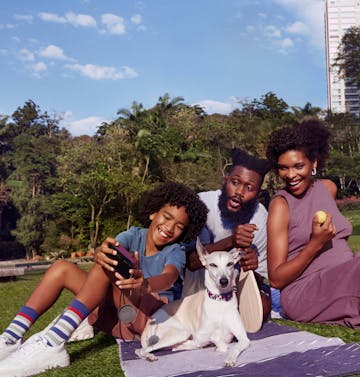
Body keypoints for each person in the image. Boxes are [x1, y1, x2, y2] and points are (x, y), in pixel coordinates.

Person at [0, 181, 208, 376]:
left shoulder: (175, 250)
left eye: (179, 226)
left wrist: (145, 284)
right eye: (167, 217)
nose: (170, 228)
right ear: (154, 213)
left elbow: (169, 277)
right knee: (62, 267)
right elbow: (111, 248)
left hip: (149, 322)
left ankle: (53, 343)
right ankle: (10, 338)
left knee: (106, 267)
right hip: (116, 315)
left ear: (184, 232)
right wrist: (101, 250)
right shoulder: (134, 235)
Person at [266, 119, 360, 327]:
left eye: (298, 166)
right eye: (283, 168)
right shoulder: (280, 206)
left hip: (344, 278)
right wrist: (315, 244)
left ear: (314, 163)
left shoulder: (327, 188)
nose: (291, 175)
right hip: (305, 293)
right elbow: (276, 279)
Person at [184, 148, 272, 320]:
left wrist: (251, 266)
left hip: (231, 290)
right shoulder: (201, 204)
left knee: (263, 305)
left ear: (258, 194)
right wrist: (231, 241)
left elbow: (258, 278)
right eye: (235, 182)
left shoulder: (261, 217)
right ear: (225, 181)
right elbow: (190, 262)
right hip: (195, 288)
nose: (239, 192)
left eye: (249, 187)